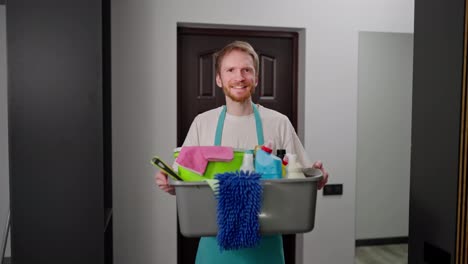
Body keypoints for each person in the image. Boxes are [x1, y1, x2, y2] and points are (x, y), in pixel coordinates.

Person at [155, 40, 329, 264]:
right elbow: (184, 182)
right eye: (230, 70)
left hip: (266, 246)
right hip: (214, 247)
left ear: (256, 78)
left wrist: (317, 178)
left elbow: (301, 178)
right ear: (219, 79)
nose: (239, 77)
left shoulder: (278, 123)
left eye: (247, 70)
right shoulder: (203, 123)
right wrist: (169, 184)